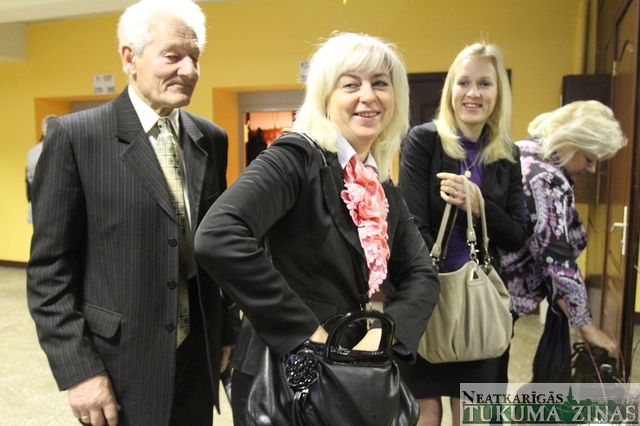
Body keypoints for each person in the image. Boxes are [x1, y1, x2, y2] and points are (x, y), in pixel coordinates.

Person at [194, 32, 440, 426]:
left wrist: (382, 336)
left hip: (347, 368)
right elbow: (218, 235)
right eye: (350, 85)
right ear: (325, 96)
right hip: (282, 372)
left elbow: (421, 274)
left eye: (380, 83)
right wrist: (308, 332)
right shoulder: (296, 156)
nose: (368, 96)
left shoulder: (377, 180)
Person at [26, 1, 236, 425]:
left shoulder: (210, 138)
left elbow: (218, 250)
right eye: (173, 56)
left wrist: (226, 331)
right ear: (130, 58)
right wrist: (80, 371)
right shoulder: (77, 137)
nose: (189, 70)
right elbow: (50, 272)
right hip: (119, 365)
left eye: (195, 57)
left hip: (198, 359)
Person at [398, 42, 526, 425]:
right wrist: (432, 286)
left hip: (479, 304)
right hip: (428, 299)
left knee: (475, 414)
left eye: (485, 83)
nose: (473, 93)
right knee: (424, 412)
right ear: (450, 89)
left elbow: (517, 235)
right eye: (464, 82)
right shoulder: (424, 140)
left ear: (498, 94)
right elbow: (412, 223)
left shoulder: (508, 154)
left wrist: (480, 205)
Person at [501, 100, 626, 381]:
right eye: (589, 158)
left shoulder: (528, 149)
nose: (592, 168)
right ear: (569, 143)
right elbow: (557, 260)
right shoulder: (544, 179)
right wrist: (587, 327)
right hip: (498, 301)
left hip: (494, 295)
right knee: (488, 381)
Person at [26, 113, 56, 224]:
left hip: (38, 204)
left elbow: (29, 180)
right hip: (55, 204)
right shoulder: (62, 148)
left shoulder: (33, 151)